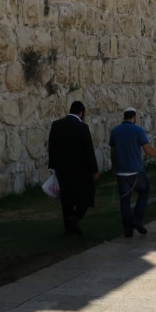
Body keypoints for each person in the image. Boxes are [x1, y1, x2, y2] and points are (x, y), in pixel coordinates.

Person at [109, 106, 156, 237]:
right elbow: (147, 149)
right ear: (134, 117)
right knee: (145, 190)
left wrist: (114, 167)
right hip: (136, 171)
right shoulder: (138, 130)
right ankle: (136, 219)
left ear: (124, 117)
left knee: (124, 200)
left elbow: (112, 152)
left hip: (121, 172)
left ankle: (128, 230)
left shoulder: (114, 131)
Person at [47, 100, 100, 235]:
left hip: (62, 169)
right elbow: (89, 150)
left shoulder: (56, 125)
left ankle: (69, 228)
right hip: (80, 169)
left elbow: (51, 147)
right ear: (81, 112)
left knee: (67, 198)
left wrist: (52, 166)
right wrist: (94, 170)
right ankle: (75, 218)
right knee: (87, 194)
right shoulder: (82, 127)